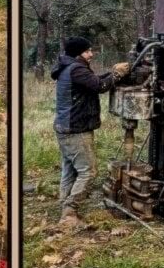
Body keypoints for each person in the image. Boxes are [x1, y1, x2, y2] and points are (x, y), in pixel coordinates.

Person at [50, 36, 131, 225]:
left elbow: (93, 80)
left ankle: (64, 203)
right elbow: (99, 85)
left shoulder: (69, 67)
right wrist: (117, 75)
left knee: (70, 169)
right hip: (76, 129)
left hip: (66, 127)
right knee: (88, 171)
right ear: (79, 53)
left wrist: (112, 73)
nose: (91, 54)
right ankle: (69, 213)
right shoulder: (77, 69)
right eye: (87, 51)